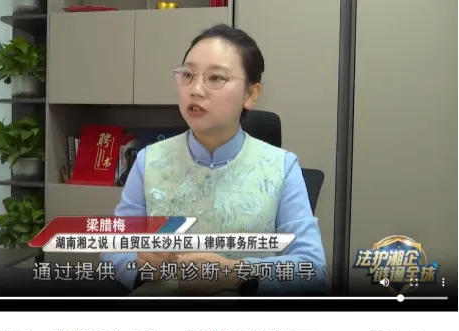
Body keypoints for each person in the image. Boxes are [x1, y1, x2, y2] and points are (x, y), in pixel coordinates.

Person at [102, 24, 327, 295]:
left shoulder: (282, 167)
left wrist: (236, 274)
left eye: (216, 78)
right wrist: (140, 265)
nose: (196, 89)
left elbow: (312, 269)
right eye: (188, 75)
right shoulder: (148, 160)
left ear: (251, 94)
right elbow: (114, 249)